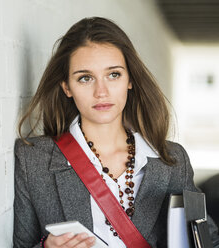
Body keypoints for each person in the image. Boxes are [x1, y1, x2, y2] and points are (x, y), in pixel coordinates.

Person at [13, 17, 219, 248]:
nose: (101, 91)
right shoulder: (33, 159)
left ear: (130, 80)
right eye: (85, 78)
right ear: (67, 88)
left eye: (113, 75)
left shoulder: (171, 161)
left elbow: (207, 240)